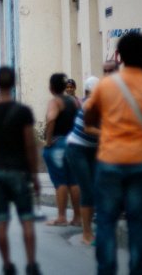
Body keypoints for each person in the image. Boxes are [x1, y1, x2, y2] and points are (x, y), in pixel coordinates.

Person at [84, 32, 142, 275]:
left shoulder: (106, 85)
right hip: (141, 164)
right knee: (137, 225)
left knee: (107, 222)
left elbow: (89, 116)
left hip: (109, 161)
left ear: (119, 56)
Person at [0, 67, 42, 275]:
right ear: (14, 84)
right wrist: (34, 175)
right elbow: (30, 145)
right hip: (19, 171)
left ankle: (7, 264)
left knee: (1, 221)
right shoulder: (22, 112)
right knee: (26, 220)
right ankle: (31, 264)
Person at [65, 76, 101, 246]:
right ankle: (86, 233)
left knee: (96, 187)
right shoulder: (88, 104)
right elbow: (88, 128)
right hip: (77, 148)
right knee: (87, 188)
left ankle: (94, 228)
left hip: (93, 148)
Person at [43, 73, 81, 227]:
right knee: (73, 181)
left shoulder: (55, 102)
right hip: (74, 143)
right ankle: (78, 217)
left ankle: (61, 216)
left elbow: (52, 119)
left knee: (60, 181)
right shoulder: (74, 102)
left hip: (59, 144)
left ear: (51, 87)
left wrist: (48, 141)